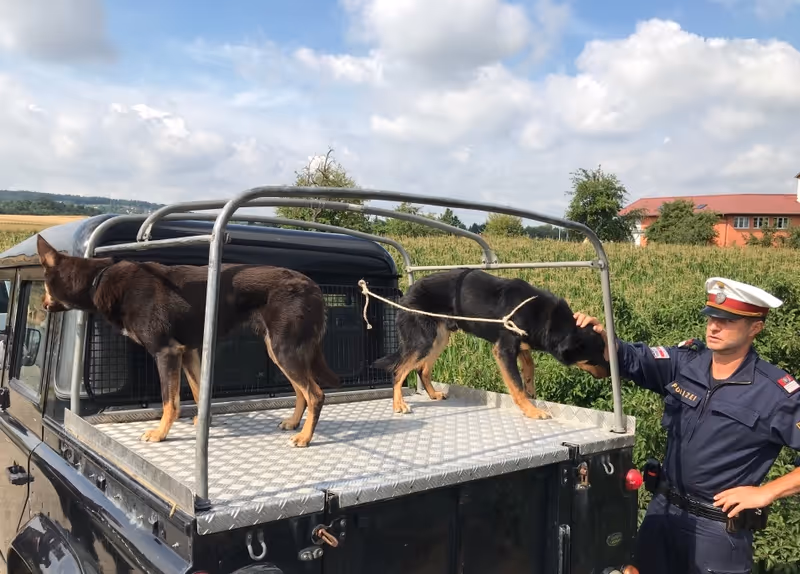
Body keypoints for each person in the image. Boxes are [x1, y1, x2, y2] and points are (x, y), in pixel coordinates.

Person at [574, 277, 800, 574]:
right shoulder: (685, 363)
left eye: (728, 321)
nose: (714, 327)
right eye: (712, 318)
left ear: (755, 328)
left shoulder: (774, 392)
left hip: (716, 532)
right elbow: (632, 358)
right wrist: (599, 340)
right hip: (662, 515)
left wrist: (766, 492)